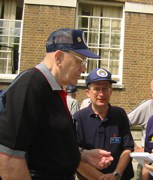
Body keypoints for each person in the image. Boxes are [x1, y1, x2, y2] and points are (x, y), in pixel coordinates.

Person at [0, 28, 113, 180]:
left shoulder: (54, 89)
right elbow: (8, 157)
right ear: (59, 57)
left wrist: (81, 154)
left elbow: (48, 141)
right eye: (80, 61)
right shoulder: (31, 85)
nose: (84, 68)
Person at [74, 68, 134, 180]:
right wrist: (101, 178)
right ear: (88, 92)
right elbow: (75, 156)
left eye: (105, 89)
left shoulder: (120, 114)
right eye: (96, 89)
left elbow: (127, 148)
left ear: (111, 91)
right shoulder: (79, 118)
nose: (101, 94)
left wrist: (116, 174)